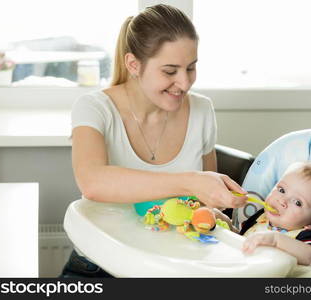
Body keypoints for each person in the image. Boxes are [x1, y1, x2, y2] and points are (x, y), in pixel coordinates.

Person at [60, 4, 247, 277]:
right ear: (134, 65)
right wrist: (189, 181)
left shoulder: (202, 110)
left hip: (176, 264)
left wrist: (211, 212)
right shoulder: (93, 108)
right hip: (100, 265)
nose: (184, 83)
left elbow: (204, 201)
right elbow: (92, 182)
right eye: (170, 71)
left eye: (191, 68)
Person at [216, 161, 311, 266]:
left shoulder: (303, 236)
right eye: (281, 190)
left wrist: (276, 240)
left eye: (297, 202)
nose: (282, 201)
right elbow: (240, 238)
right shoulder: (260, 218)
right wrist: (222, 221)